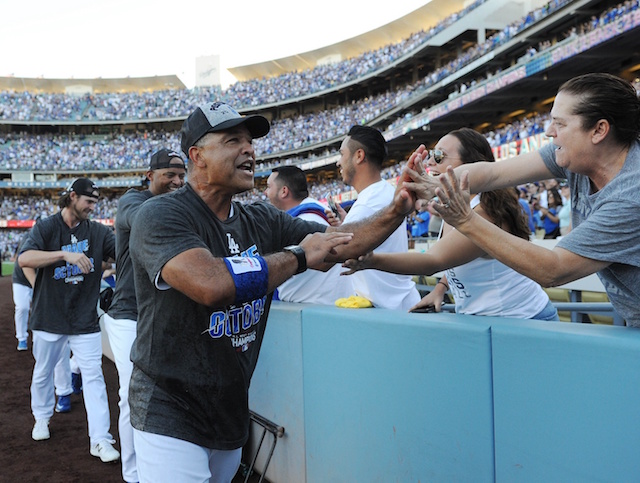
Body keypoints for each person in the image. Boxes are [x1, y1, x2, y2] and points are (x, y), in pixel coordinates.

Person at [127, 101, 420, 482]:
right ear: (197, 157)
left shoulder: (260, 218)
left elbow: (338, 244)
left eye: (249, 141)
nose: (249, 149)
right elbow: (213, 285)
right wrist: (298, 256)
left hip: (229, 409)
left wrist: (395, 210)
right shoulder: (161, 214)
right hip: (169, 406)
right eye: (233, 140)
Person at [403, 72, 640, 326]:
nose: (549, 132)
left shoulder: (630, 195)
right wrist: (434, 184)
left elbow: (554, 269)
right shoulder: (576, 156)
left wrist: (467, 221)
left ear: (599, 130)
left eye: (559, 124)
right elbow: (493, 173)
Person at [343, 128, 558, 320]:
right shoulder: (457, 208)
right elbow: (457, 257)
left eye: (439, 156)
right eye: (430, 156)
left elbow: (433, 261)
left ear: (472, 166)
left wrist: (371, 260)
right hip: (491, 320)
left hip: (524, 319)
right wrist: (441, 288)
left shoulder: (484, 214)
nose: (428, 163)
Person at [18, 177, 120, 462]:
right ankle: (41, 417)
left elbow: (121, 253)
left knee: (94, 378)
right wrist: (65, 254)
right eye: (88, 201)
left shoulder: (98, 232)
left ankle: (100, 439)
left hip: (83, 319)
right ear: (72, 197)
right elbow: (24, 259)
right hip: (49, 317)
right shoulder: (47, 227)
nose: (92, 207)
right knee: (43, 372)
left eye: (95, 202)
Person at [103, 148, 186, 483]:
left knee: (167, 392)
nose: (177, 182)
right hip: (127, 313)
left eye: (182, 176)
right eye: (169, 175)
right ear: (150, 176)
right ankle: (133, 473)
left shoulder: (179, 203)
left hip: (163, 314)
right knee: (131, 393)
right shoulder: (132, 202)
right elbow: (145, 221)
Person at [324, 125, 420, 311]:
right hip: (400, 303)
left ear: (359, 156)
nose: (338, 162)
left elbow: (330, 257)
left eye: (342, 154)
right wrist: (348, 224)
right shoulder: (385, 192)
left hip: (384, 311)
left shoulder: (367, 204)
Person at [12, 219, 75, 411]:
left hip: (49, 288)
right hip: (24, 280)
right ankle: (21, 337)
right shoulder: (30, 238)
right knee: (22, 307)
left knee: (61, 343)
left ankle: (64, 392)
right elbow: (26, 264)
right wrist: (39, 292)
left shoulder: (61, 240)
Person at [264, 165, 342, 304]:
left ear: (284, 191)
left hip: (312, 310)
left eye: (269, 187)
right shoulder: (318, 210)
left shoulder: (305, 220)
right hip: (321, 305)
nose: (265, 192)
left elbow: (323, 263)